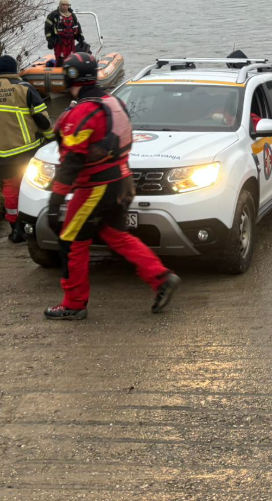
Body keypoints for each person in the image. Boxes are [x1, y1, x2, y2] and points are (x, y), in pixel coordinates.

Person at [44, 52, 180, 320]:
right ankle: (160, 277)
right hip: (119, 181)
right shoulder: (114, 102)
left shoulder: (83, 111)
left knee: (71, 242)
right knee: (117, 236)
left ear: (70, 77)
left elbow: (71, 161)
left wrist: (55, 201)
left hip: (94, 187)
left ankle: (73, 304)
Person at [0, 55, 52, 242]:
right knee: (31, 187)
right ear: (15, 70)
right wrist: (51, 138)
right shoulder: (25, 89)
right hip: (26, 151)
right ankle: (31, 225)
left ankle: (15, 230)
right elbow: (42, 119)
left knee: (10, 188)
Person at [44, 0, 85, 67]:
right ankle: (59, 69)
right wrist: (50, 40)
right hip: (59, 41)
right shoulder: (53, 15)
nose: (65, 6)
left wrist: (81, 38)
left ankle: (71, 69)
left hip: (70, 40)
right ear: (59, 5)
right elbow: (47, 28)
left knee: (71, 57)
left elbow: (78, 27)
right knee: (60, 57)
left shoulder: (72, 15)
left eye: (67, 5)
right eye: (63, 5)